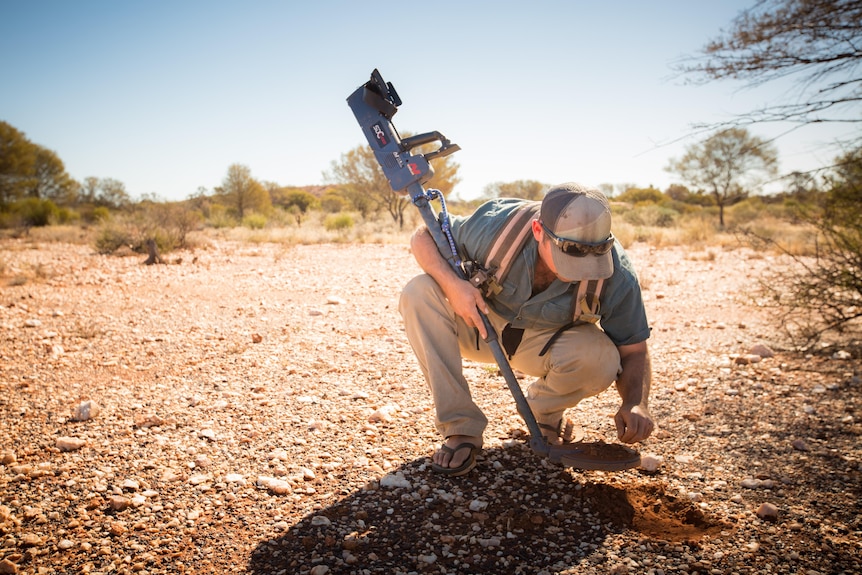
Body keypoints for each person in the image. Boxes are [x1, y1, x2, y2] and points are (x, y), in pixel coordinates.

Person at [398, 182, 655, 476]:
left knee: (603, 358)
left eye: (594, 255)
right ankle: (461, 428)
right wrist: (453, 286)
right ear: (538, 232)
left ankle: (544, 415)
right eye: (569, 255)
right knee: (418, 291)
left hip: (543, 345)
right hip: (477, 324)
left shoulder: (617, 272)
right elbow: (423, 235)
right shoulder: (496, 226)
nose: (580, 268)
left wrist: (636, 403)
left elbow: (634, 349)